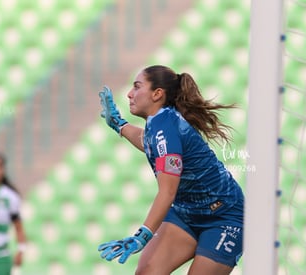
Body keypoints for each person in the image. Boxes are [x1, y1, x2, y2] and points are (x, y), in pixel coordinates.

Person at [97, 65, 244, 275]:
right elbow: (148, 142)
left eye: (137, 87)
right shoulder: (159, 122)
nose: (129, 94)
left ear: (157, 94)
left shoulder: (165, 127)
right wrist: (119, 124)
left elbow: (167, 192)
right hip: (187, 212)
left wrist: (142, 236)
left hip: (224, 217)